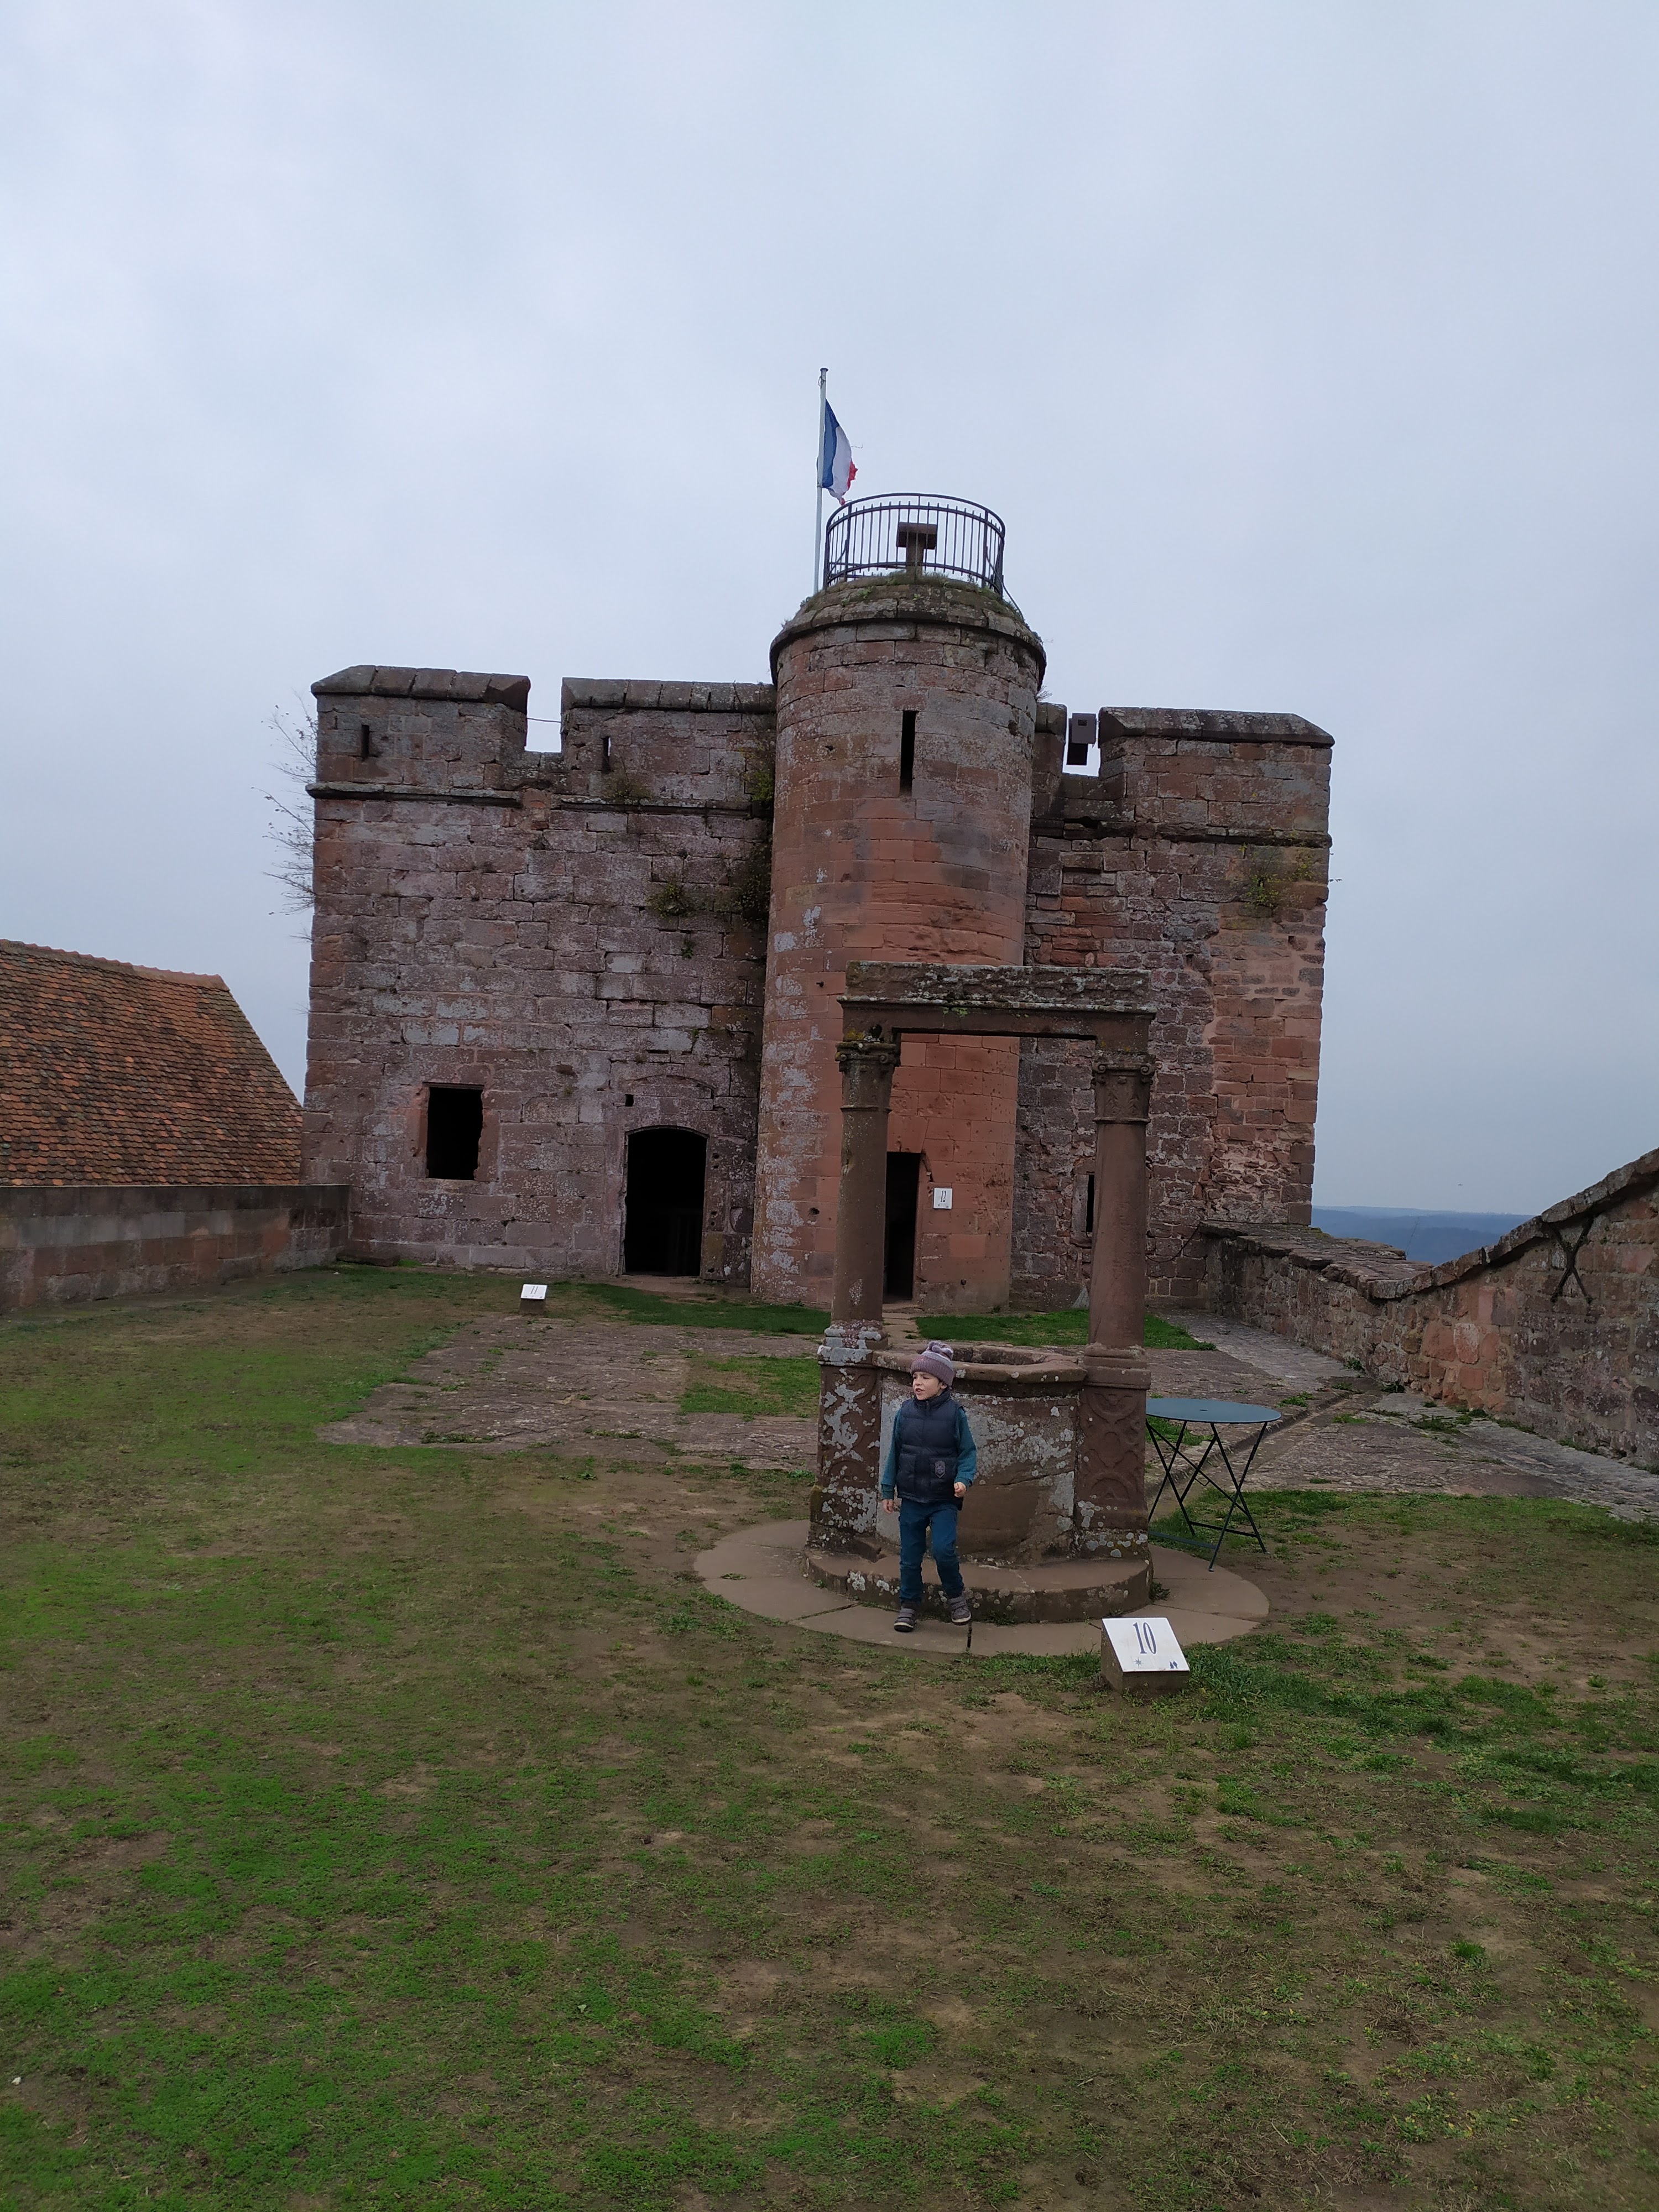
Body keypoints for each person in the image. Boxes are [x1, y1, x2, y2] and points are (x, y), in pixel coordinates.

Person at [880, 1342, 977, 1632]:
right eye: (915, 1377)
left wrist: (963, 1479)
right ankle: (909, 1605)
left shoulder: (955, 1415)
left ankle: (956, 1597)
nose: (918, 1383)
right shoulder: (905, 1412)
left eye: (926, 1378)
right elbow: (895, 1453)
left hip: (943, 1499)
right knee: (910, 1558)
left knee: (944, 1550)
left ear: (943, 1383)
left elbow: (968, 1453)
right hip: (912, 1498)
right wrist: (888, 1490)